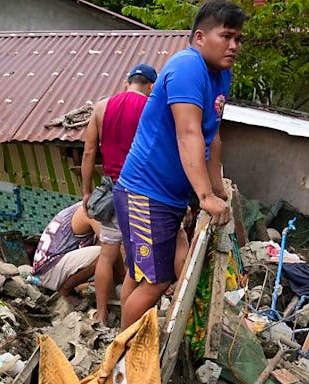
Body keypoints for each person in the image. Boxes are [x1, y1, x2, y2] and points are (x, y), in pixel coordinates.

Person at [112, 0, 246, 330]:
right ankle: (124, 364)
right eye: (226, 36)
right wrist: (204, 196)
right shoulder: (188, 68)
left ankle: (121, 348)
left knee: (140, 272)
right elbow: (188, 134)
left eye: (238, 39)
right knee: (158, 280)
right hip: (145, 191)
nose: (233, 46)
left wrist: (216, 187)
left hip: (165, 195)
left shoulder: (220, 75)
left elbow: (211, 135)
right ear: (200, 37)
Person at [80, 63, 158, 323]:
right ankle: (130, 316)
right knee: (136, 257)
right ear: (150, 86)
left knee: (107, 254)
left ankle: (101, 314)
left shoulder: (101, 107)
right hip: (140, 192)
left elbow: (89, 151)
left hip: (110, 190)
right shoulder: (151, 108)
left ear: (127, 83)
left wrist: (86, 192)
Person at [31, 202, 100, 300]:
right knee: (105, 253)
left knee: (105, 253)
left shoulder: (84, 206)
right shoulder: (91, 211)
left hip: (44, 270)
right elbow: (111, 245)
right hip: (48, 273)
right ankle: (64, 293)